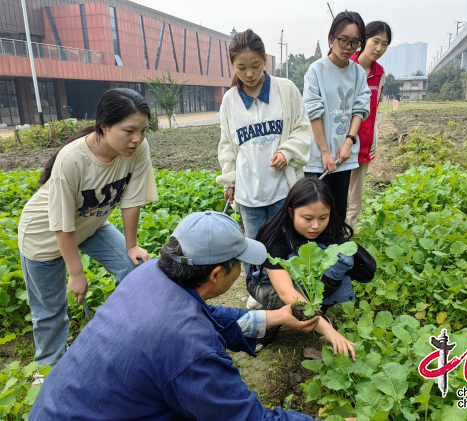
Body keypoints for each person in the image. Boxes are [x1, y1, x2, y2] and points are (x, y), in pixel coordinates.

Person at [29, 211, 354, 421]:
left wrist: (277, 317)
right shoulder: (188, 346)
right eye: (238, 262)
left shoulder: (150, 275)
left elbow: (208, 316)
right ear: (216, 275)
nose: (242, 268)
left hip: (57, 406)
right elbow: (244, 418)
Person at [18, 88, 158, 374]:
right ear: (104, 126)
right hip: (43, 236)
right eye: (129, 130)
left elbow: (131, 200)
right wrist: (76, 273)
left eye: (143, 130)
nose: (138, 139)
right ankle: (47, 368)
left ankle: (126, 338)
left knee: (136, 268)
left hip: (91, 224)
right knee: (50, 312)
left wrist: (131, 246)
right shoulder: (72, 159)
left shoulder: (137, 150)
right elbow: (61, 223)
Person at [217, 29, 312, 276]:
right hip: (249, 191)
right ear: (232, 65)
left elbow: (303, 127)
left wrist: (287, 152)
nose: (249, 74)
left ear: (264, 60)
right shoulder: (229, 100)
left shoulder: (286, 90)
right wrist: (229, 180)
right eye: (241, 67)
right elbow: (227, 143)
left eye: (255, 65)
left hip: (282, 187)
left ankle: (284, 288)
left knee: (283, 240)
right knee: (253, 244)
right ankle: (256, 286)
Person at [247, 178, 375, 355]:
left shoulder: (326, 229)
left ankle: (315, 313)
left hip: (300, 279)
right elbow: (286, 292)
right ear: (291, 212)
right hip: (265, 282)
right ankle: (263, 333)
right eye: (307, 218)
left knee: (339, 264)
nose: (316, 225)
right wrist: (329, 332)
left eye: (323, 217)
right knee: (278, 296)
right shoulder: (277, 239)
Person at [303, 11, 371, 223]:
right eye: (343, 40)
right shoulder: (317, 70)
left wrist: (349, 142)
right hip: (319, 157)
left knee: (339, 210)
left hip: (344, 155)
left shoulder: (358, 72)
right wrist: (325, 152)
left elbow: (359, 109)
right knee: (316, 211)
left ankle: (338, 252)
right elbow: (314, 112)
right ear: (331, 38)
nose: (348, 47)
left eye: (355, 42)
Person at [346, 21, 392, 227]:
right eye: (376, 41)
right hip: (342, 140)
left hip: (366, 140)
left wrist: (373, 137)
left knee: (356, 190)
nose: (379, 49)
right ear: (364, 40)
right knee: (337, 188)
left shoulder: (379, 74)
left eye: (385, 44)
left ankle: (349, 232)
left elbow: (375, 108)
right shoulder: (346, 67)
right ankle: (331, 230)